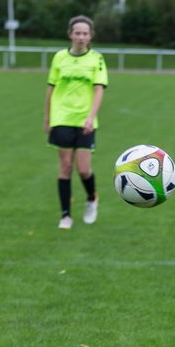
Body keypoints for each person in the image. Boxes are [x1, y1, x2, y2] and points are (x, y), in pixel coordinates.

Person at [44, 15, 106, 230]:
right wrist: (47, 118)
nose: (81, 37)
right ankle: (66, 215)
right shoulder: (59, 58)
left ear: (91, 36)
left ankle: (91, 198)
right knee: (65, 167)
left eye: (85, 33)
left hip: (85, 120)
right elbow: (50, 90)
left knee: (83, 169)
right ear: (70, 34)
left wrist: (90, 117)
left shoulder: (96, 59)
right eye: (77, 33)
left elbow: (99, 90)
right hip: (61, 117)